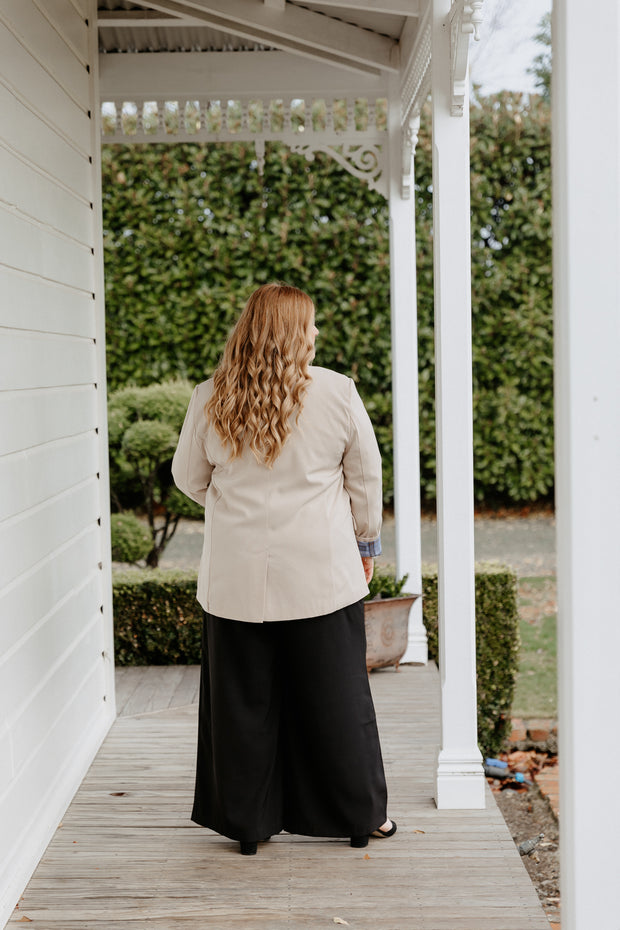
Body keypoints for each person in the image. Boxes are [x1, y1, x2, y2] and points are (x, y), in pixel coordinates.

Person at [171, 282, 396, 855]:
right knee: (338, 700)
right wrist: (365, 543)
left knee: (243, 704)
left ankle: (249, 825)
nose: (317, 333)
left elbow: (188, 478)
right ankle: (361, 818)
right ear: (297, 331)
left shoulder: (209, 395)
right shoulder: (339, 393)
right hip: (321, 574)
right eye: (311, 324)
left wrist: (233, 511)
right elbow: (365, 481)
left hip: (235, 581)